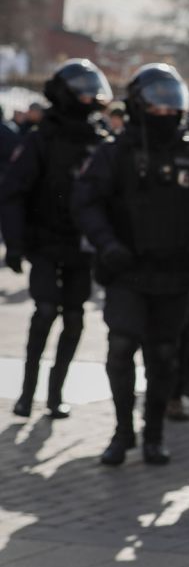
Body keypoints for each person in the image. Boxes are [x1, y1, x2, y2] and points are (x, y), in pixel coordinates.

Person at [72, 63, 189, 466]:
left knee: (163, 355)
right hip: (126, 270)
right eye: (157, 103)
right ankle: (122, 432)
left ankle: (153, 435)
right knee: (121, 347)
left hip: (176, 273)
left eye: (173, 104)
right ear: (138, 105)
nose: (166, 111)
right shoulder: (115, 151)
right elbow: (86, 201)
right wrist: (107, 244)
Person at [0, 59, 112, 418]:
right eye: (80, 88)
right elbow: (14, 192)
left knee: (75, 317)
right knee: (45, 310)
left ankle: (55, 394)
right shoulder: (41, 139)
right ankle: (26, 392)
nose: (87, 95)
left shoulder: (99, 141)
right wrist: (14, 244)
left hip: (82, 245)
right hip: (45, 241)